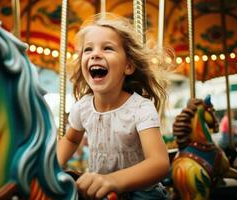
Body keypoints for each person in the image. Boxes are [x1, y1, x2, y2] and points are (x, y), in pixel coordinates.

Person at [57, 13, 170, 200]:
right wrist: (50, 166)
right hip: (99, 191)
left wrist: (115, 180)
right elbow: (70, 140)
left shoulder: (140, 108)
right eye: (88, 50)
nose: (95, 54)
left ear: (128, 66)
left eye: (107, 48)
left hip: (141, 192)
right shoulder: (83, 107)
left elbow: (159, 162)